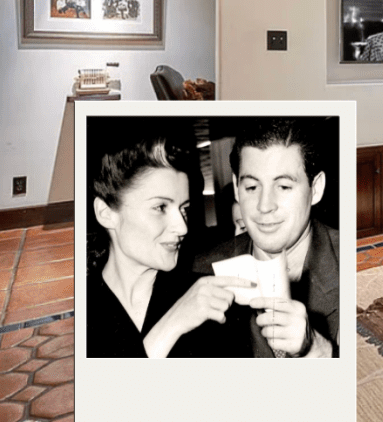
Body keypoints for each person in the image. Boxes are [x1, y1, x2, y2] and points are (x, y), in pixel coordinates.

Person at [87, 135, 253, 358]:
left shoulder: (211, 303)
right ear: (106, 213)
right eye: (160, 207)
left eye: (184, 209)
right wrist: (173, 324)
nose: (182, 227)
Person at [193, 119, 339, 358]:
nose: (264, 206)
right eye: (252, 187)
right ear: (236, 187)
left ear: (316, 189)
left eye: (283, 187)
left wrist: (318, 350)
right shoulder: (201, 272)